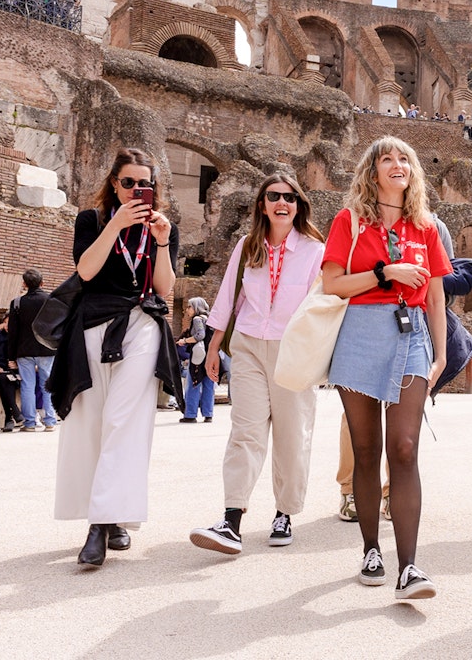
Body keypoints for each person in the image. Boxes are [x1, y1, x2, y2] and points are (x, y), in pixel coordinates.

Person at [321, 136, 449, 600]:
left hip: (411, 333)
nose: (397, 165)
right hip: (358, 330)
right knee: (366, 447)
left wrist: (441, 353)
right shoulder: (349, 221)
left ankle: (409, 567)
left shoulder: (426, 225)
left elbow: (435, 295)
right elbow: (332, 284)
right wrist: (384, 273)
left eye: (404, 159)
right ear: (372, 172)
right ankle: (371, 548)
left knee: (405, 447)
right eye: (387, 159)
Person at [49, 148, 181, 569]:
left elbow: (165, 287)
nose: (137, 191)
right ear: (113, 184)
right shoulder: (91, 220)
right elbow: (85, 271)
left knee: (125, 419)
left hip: (141, 324)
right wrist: (116, 225)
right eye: (129, 183)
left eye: (146, 185)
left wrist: (161, 243)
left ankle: (99, 525)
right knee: (91, 421)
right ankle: (115, 519)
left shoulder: (164, 228)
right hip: (91, 325)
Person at [190, 174, 325, 556]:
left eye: (290, 197)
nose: (282, 203)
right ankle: (231, 519)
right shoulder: (248, 246)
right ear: (262, 204)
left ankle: (284, 512)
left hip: (292, 350)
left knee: (291, 435)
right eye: (274, 197)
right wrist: (215, 345)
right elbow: (228, 297)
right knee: (245, 431)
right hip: (248, 345)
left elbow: (326, 304)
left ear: (299, 205)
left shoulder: (315, 251)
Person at [8, 268, 58, 432]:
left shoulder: (17, 303)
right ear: (42, 283)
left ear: (24, 284)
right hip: (47, 349)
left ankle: (29, 423)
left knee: (27, 386)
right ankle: (50, 421)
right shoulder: (51, 300)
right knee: (48, 385)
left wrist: (11, 355)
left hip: (24, 350)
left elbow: (13, 332)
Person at [177, 297, 215, 423]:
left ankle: (191, 414)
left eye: (189, 307)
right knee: (208, 385)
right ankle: (208, 414)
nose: (187, 310)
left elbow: (200, 335)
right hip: (210, 355)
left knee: (193, 383)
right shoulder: (210, 318)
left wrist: (185, 341)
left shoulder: (197, 319)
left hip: (199, 356)